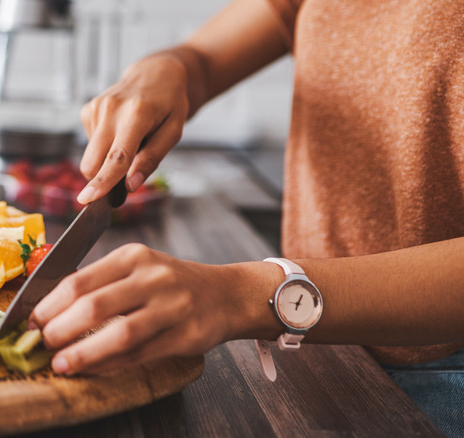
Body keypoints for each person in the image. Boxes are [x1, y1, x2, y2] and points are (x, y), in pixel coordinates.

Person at [28, 0, 464, 435]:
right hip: (314, 350)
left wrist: (243, 295)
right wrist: (168, 67)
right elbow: (203, 60)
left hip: (437, 382)